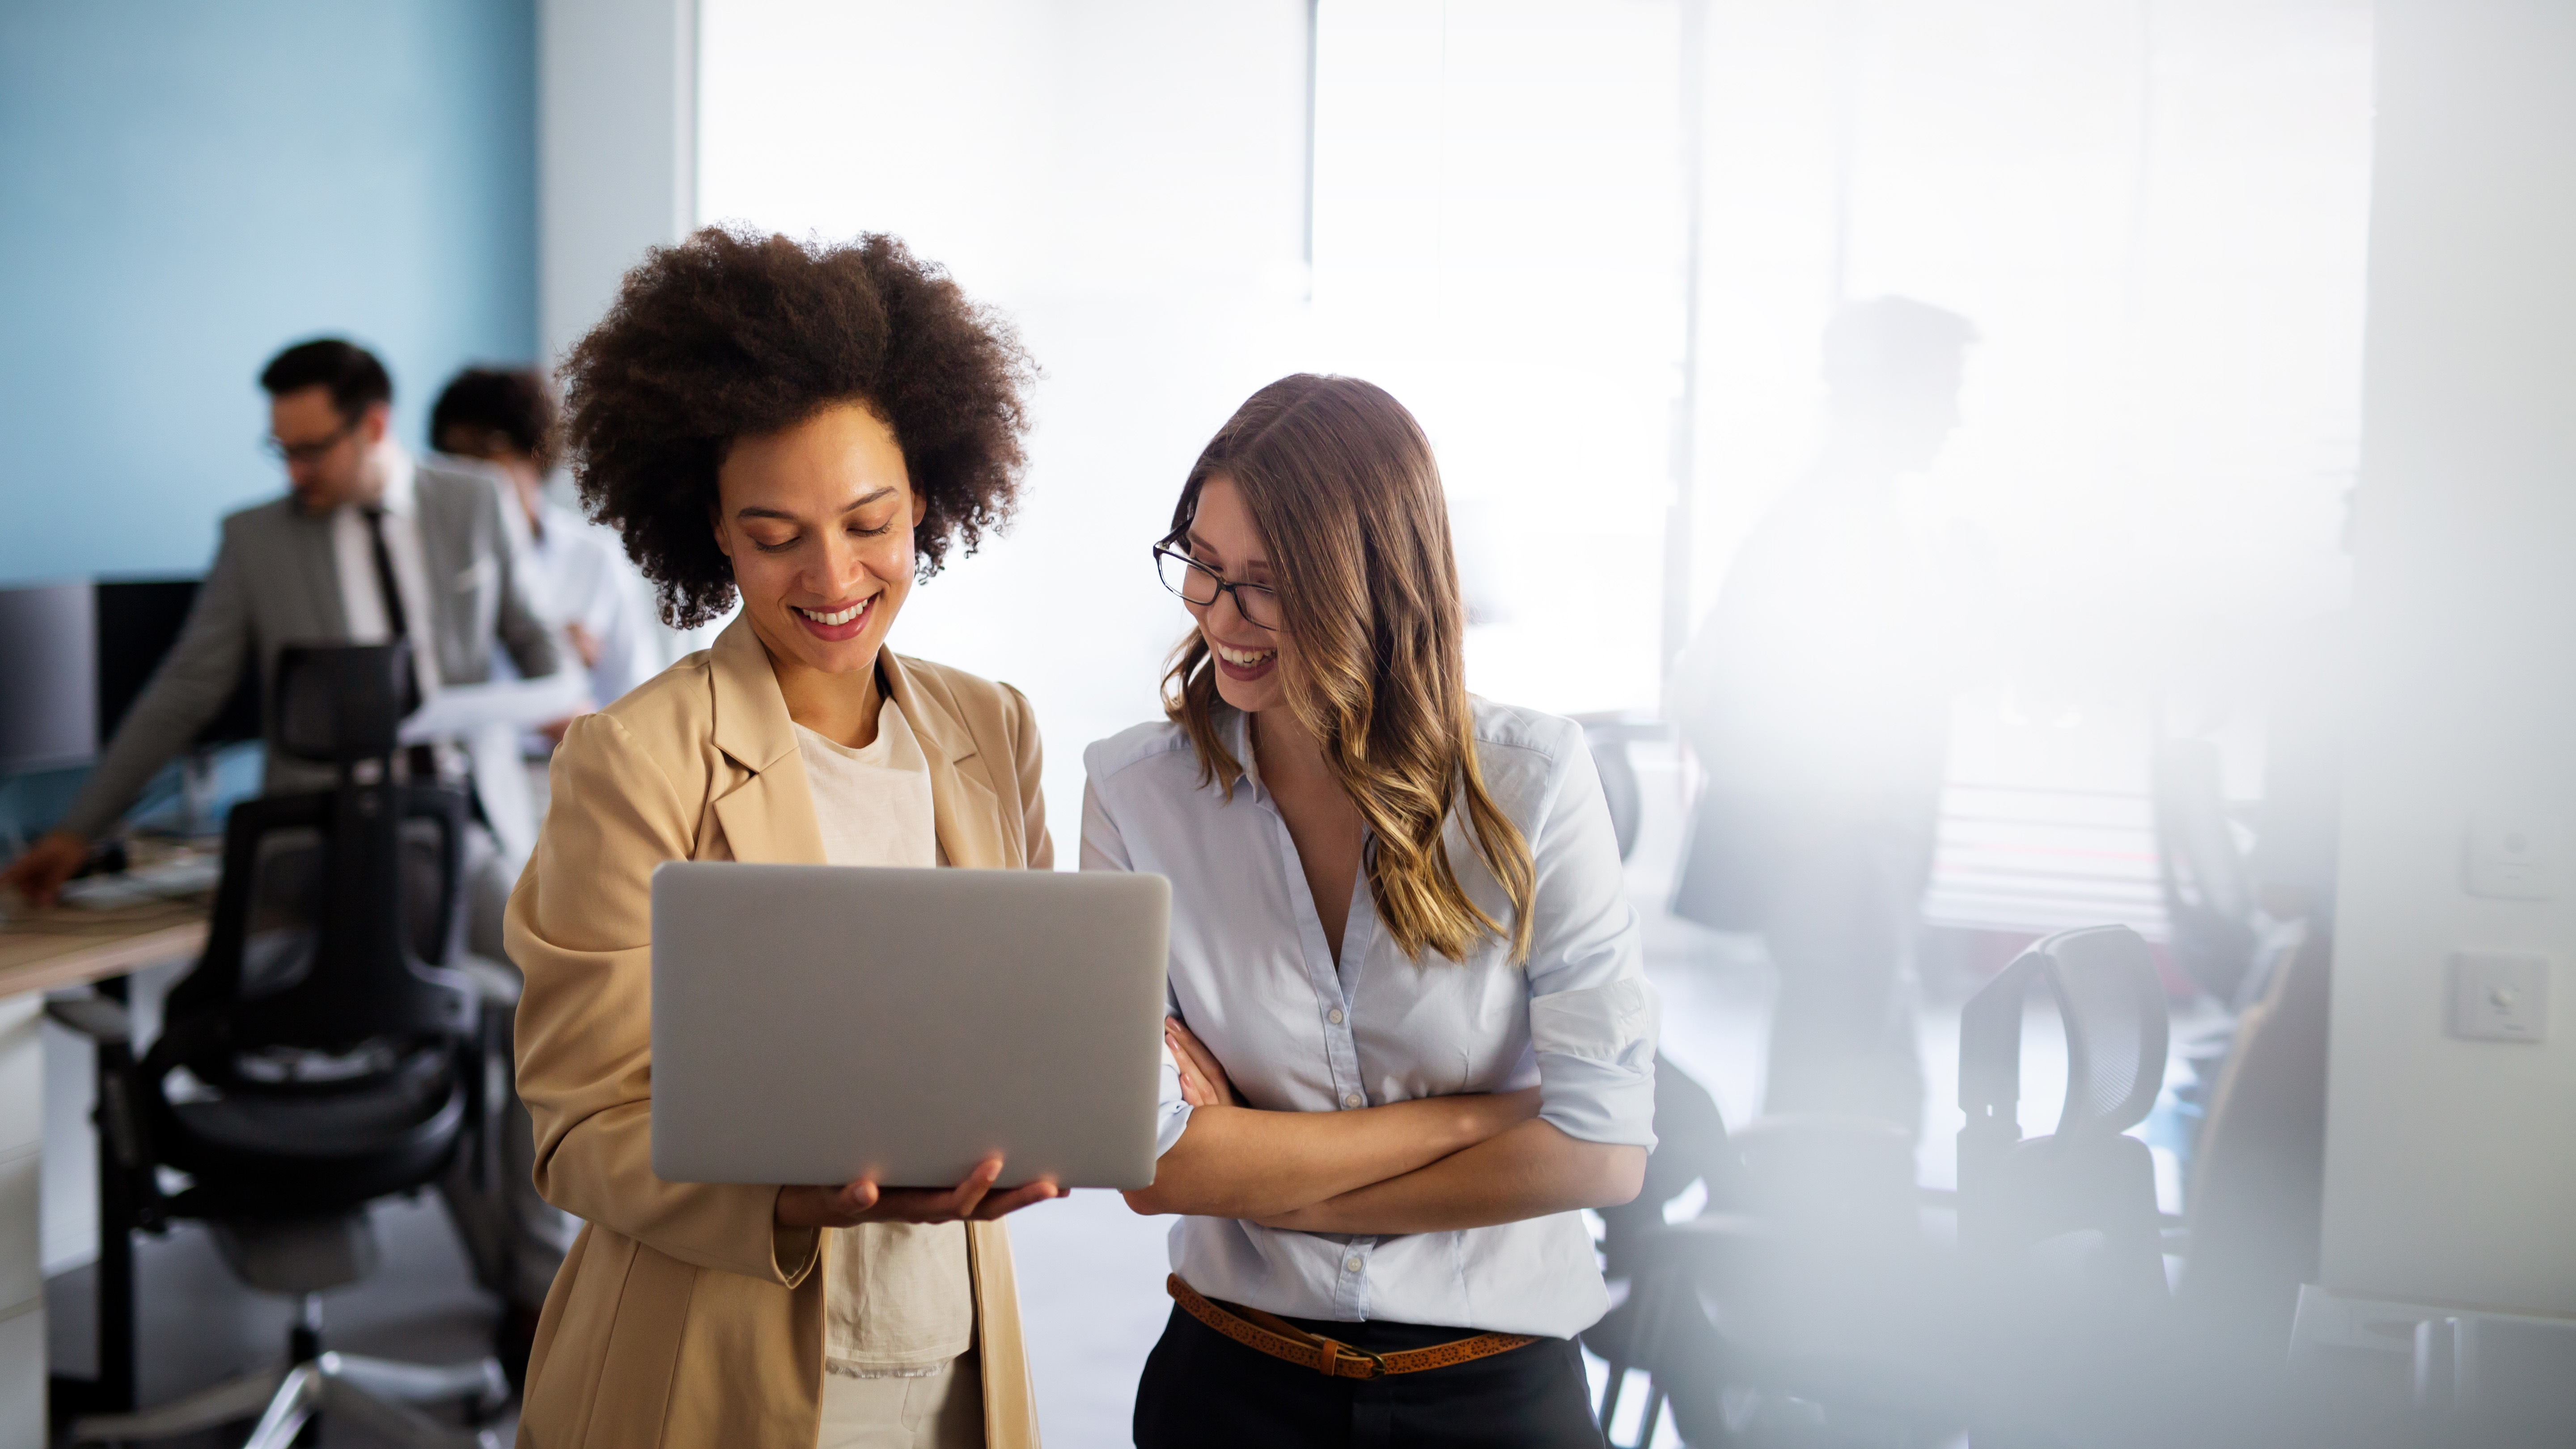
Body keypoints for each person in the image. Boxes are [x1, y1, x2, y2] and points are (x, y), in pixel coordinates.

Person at [503, 227, 1060, 1449]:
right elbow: (578, 1124)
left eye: (872, 522)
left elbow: (1020, 1021)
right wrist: (783, 1196)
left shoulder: (990, 729)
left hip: (948, 1352)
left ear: (931, 496)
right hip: (712, 1364)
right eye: (774, 536)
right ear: (710, 528)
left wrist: (1050, 1120)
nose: (833, 576)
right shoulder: (635, 760)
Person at [1083, 374, 1657, 1448]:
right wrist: (1479, 1118)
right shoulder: (1132, 795)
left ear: (1376, 586)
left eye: (1265, 583)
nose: (1218, 616)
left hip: (1492, 1395)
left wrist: (1267, 1174)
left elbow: (1599, 1151)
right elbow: (1154, 1161)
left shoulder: (1532, 782)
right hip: (1230, 1388)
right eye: (1201, 564)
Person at [0, 338, 576, 1365]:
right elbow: (186, 687)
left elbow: (544, 658)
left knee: (554, 1006)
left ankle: (543, 1286)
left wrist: (541, 709)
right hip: (324, 846)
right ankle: (515, 1282)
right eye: (280, 449)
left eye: (311, 448)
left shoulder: (473, 505)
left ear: (373, 426)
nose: (293, 471)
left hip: (460, 824)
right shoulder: (255, 540)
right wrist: (77, 827)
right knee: (418, 1010)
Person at [1667, 296, 1982, 1136]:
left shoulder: (1865, 516)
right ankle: (1776, 1255)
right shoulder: (1828, 526)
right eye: (1941, 390)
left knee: (1865, 1090)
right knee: (1837, 1105)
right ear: (1888, 392)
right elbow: (1714, 695)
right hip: (1841, 859)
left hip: (1860, 855)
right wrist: (1823, 818)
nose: (1955, 416)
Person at [430, 366, 665, 713]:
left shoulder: (594, 557)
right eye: (457, 462)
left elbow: (641, 693)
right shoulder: (430, 557)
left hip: (580, 755)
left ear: (534, 451)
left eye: (487, 454)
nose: (475, 479)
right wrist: (554, 650)